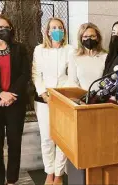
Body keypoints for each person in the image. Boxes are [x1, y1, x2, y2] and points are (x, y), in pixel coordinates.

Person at [32, 17, 74, 185]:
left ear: (64, 31)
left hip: (63, 99)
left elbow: (72, 76)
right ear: (48, 31)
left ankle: (59, 174)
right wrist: (44, 95)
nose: (57, 30)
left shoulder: (70, 49)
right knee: (47, 138)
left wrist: (62, 96)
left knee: (62, 139)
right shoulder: (39, 50)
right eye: (54, 28)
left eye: (60, 27)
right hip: (44, 100)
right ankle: (49, 172)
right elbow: (36, 75)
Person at [0, 14, 30, 185]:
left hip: (15, 103)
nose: (1, 30)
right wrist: (0, 93)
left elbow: (25, 73)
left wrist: (11, 94)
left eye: (5, 27)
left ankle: (11, 180)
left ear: (11, 29)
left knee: (14, 144)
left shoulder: (20, 48)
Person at [67, 23, 107, 91]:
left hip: (100, 98)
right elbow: (72, 82)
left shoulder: (105, 56)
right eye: (85, 37)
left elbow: (106, 82)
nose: (89, 39)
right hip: (81, 98)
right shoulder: (74, 56)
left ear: (97, 38)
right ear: (81, 39)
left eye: (92, 36)